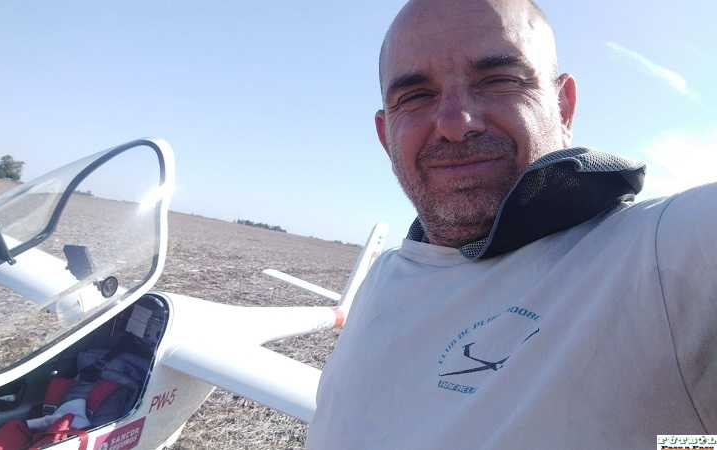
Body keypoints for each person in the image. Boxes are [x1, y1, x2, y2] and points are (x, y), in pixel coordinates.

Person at [305, 0, 717, 449]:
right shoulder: (383, 279)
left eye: (498, 80)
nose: (455, 123)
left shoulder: (656, 257)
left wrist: (683, 445)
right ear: (386, 137)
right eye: (416, 95)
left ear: (563, 108)